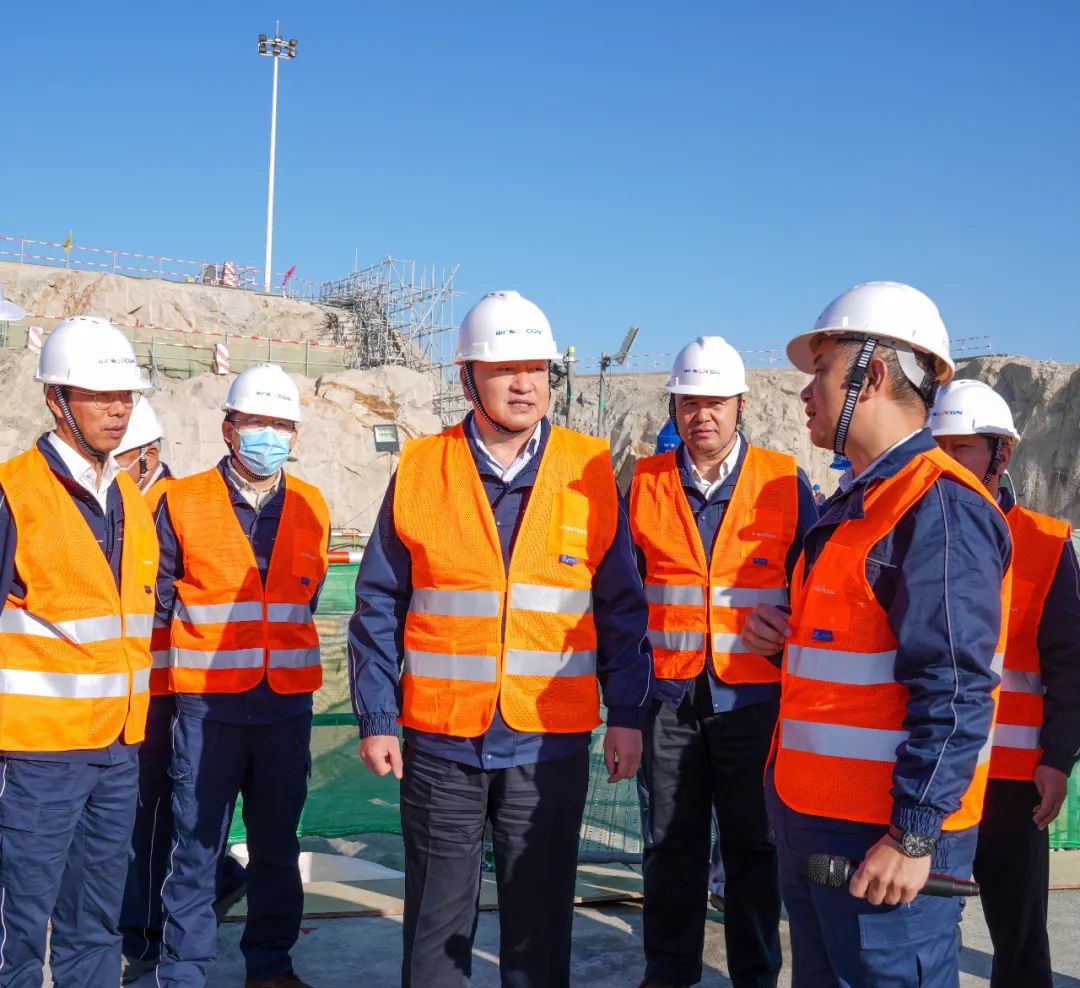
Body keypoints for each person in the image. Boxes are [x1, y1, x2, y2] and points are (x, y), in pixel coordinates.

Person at [349, 290, 651, 987]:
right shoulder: (421, 468)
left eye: (537, 369)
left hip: (547, 747)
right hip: (441, 744)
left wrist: (628, 714)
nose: (524, 384)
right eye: (504, 369)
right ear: (467, 380)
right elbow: (378, 603)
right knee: (437, 930)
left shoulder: (588, 470)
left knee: (539, 929)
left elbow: (622, 610)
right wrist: (377, 717)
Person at [742, 282, 1012, 988]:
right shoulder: (861, 502)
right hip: (819, 823)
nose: (806, 392)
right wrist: (790, 642)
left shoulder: (937, 507)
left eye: (821, 371)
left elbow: (956, 687)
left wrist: (912, 833)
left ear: (875, 375)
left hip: (882, 844)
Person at [630, 336, 817, 988]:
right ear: (674, 408)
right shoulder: (644, 483)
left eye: (715, 402)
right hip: (669, 697)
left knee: (753, 846)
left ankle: (755, 976)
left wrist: (789, 635)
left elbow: (817, 585)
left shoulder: (784, 481)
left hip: (755, 698)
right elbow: (622, 593)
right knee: (669, 842)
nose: (702, 415)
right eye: (689, 403)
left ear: (741, 404)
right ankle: (669, 971)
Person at [154, 363, 330, 988]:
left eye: (282, 425)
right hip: (209, 708)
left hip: (285, 707)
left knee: (278, 845)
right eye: (256, 421)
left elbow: (304, 598)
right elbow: (161, 602)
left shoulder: (311, 505)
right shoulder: (180, 502)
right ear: (228, 427)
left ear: (295, 434)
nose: (269, 435)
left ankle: (271, 968)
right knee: (196, 845)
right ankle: (185, 972)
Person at [0, 316, 158, 986]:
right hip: (35, 755)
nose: (117, 409)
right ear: (55, 399)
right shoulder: (14, 493)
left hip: (117, 749)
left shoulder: (129, 499)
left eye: (125, 396)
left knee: (95, 922)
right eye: (99, 395)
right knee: (15, 922)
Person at [930, 378, 1080, 988]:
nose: (945, 461)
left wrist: (1058, 759)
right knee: (921, 931)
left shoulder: (1045, 543)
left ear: (1002, 453)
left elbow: (1069, 663)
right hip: (930, 770)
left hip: (1013, 779)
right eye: (937, 447)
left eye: (961, 447)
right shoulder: (909, 531)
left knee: (1019, 937)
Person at [116, 400, 248, 984]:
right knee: (148, 816)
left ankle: (147, 933)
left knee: (159, 815)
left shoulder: (169, 504)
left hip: (173, 690)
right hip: (135, 687)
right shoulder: (123, 504)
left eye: (122, 456)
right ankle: (210, 888)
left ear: (149, 455)